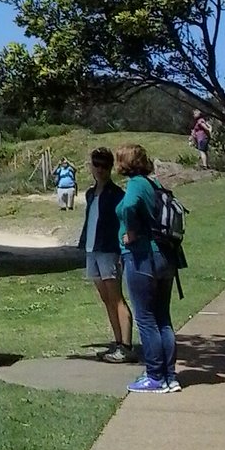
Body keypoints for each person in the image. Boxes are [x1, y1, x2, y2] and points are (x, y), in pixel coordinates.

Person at [115, 143, 187, 393]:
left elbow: (128, 206)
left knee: (145, 318)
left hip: (142, 256)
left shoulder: (136, 184)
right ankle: (169, 375)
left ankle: (155, 376)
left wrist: (131, 230)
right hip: (166, 256)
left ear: (125, 163)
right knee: (162, 318)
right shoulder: (154, 183)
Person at [77, 147, 134, 363]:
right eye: (96, 164)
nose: (100, 169)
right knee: (106, 299)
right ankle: (117, 343)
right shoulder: (91, 193)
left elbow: (122, 222)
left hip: (109, 250)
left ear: (111, 168)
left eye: (104, 165)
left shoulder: (117, 195)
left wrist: (121, 250)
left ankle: (126, 345)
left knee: (116, 297)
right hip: (92, 249)